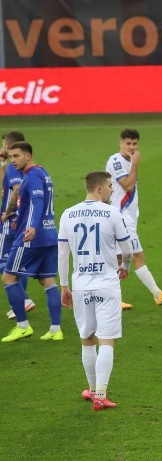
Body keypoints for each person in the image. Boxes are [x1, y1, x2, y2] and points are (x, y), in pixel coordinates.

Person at [58, 171, 133, 410]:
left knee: (87, 339)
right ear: (99, 189)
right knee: (107, 340)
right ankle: (101, 395)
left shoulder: (68, 214)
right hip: (107, 284)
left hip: (80, 286)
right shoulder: (112, 212)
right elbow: (128, 250)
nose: (112, 190)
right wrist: (125, 266)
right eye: (110, 186)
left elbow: (62, 254)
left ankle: (91, 390)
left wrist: (64, 286)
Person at [105, 128, 162, 308]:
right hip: (121, 218)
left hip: (127, 217)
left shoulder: (127, 160)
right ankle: (157, 294)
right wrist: (135, 164)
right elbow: (128, 185)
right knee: (137, 255)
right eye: (128, 143)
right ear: (120, 143)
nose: (131, 147)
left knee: (118, 259)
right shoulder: (116, 160)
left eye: (135, 143)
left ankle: (111, 299)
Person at [1, 142, 63, 342]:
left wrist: (32, 227)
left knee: (9, 278)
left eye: (16, 156)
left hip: (31, 237)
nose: (13, 161)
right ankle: (55, 329)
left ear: (27, 156)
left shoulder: (33, 176)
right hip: (49, 235)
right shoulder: (43, 172)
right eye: (11, 157)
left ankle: (22, 326)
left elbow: (37, 202)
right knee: (48, 281)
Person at [1, 132, 36, 319]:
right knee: (16, 262)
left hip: (11, 220)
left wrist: (7, 213)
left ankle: (23, 300)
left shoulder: (16, 166)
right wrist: (2, 163)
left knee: (4, 263)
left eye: (4, 145)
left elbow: (14, 190)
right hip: (21, 220)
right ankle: (22, 301)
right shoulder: (15, 166)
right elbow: (4, 186)